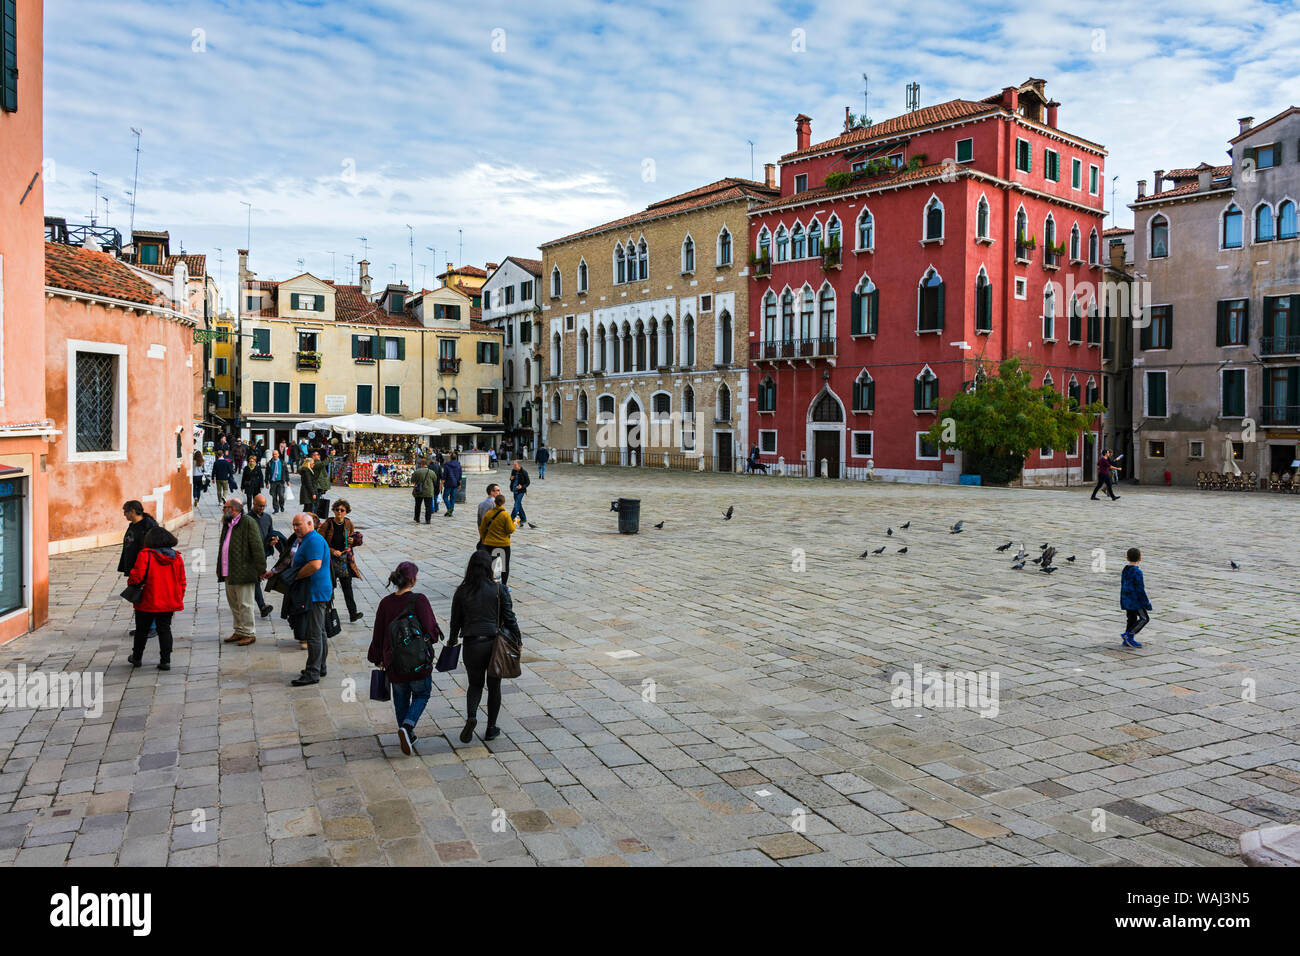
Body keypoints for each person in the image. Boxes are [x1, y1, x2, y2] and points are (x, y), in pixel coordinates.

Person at [367, 561, 441, 755]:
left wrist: (377, 657)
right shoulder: (419, 600)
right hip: (417, 662)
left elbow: (378, 633)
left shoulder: (385, 603)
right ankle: (407, 728)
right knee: (422, 694)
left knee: (400, 699)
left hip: (394, 663)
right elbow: (431, 629)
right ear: (413, 580)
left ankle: (408, 734)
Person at [448, 549, 521, 743]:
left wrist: (451, 641)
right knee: (494, 686)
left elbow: (455, 622)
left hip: (472, 644)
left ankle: (472, 716)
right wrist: (518, 641)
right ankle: (491, 727)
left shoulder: (462, 591)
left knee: (475, 685)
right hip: (494, 644)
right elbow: (510, 618)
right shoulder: (499, 590)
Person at [126, 526, 185, 670]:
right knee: (164, 629)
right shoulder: (176, 557)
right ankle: (165, 660)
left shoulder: (145, 555)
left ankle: (137, 658)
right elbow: (182, 581)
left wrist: (131, 583)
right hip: (168, 600)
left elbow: (136, 577)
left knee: (142, 630)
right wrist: (177, 596)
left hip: (148, 599)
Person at [289, 512, 332, 685]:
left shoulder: (313, 540)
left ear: (309, 524)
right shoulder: (308, 539)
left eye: (298, 524)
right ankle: (320, 667)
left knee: (314, 634)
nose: (295, 528)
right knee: (320, 632)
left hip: (315, 592)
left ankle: (312, 672)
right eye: (293, 524)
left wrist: (296, 576)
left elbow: (315, 565)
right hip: (316, 591)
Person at [218, 498, 267, 647]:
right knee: (234, 603)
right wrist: (219, 568)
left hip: (244, 571)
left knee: (245, 604)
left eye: (225, 507)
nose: (223, 510)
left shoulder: (248, 522)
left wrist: (261, 569)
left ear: (233, 509)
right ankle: (239, 630)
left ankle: (248, 633)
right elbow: (223, 546)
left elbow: (257, 547)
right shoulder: (228, 523)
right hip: (229, 571)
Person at [118, 501, 158, 639]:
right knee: (137, 598)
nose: (124, 515)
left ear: (133, 511)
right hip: (135, 567)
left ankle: (152, 627)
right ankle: (142, 626)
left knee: (148, 598)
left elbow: (153, 549)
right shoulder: (133, 526)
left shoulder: (149, 526)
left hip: (146, 568)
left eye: (125, 511)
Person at [326, 500, 364, 623]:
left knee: (348, 588)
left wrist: (353, 541)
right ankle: (327, 613)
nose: (339, 512)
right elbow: (320, 541)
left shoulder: (348, 523)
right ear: (333, 510)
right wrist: (332, 551)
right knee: (328, 588)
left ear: (346, 512)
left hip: (344, 560)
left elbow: (355, 539)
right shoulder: (328, 524)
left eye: (342, 510)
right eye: (337, 510)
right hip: (330, 561)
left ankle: (353, 613)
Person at [250, 494, 279, 619]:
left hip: (264, 553)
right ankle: (262, 606)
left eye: (264, 506)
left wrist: (273, 541)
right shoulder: (247, 519)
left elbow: (270, 533)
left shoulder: (267, 517)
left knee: (255, 580)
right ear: (253, 504)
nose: (262, 508)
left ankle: (250, 601)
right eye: (259, 506)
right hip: (251, 555)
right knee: (255, 579)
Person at [479, 493, 517, 586]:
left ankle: (490, 583)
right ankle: (504, 585)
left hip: (489, 544)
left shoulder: (489, 514)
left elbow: (482, 528)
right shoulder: (505, 515)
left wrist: (484, 539)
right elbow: (510, 530)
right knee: (504, 566)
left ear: (494, 502)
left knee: (491, 564)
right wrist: (515, 523)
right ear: (504, 502)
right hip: (503, 544)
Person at [1120, 547, 1152, 649]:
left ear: (1127, 558)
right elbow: (1140, 589)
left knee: (1131, 619)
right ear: (1140, 558)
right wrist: (1146, 603)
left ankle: (1128, 640)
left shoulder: (1125, 570)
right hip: (1135, 601)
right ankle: (1129, 635)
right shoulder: (1137, 572)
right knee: (1144, 618)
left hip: (1126, 599)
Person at [410, 459, 437, 524]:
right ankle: (428, 519)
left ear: (421, 464)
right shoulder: (431, 472)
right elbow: (435, 480)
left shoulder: (417, 472)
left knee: (418, 505)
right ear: (426, 464)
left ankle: (417, 518)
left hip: (419, 490)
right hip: (429, 491)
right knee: (428, 506)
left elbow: (412, 480)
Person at [265, 449, 288, 513]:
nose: (274, 455)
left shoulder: (282, 462)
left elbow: (286, 472)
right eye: (273, 454)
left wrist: (287, 480)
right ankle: (276, 509)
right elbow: (267, 473)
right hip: (273, 481)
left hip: (281, 481)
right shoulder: (269, 463)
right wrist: (266, 482)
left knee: (281, 495)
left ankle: (281, 505)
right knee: (274, 496)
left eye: (276, 454)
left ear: (278, 454)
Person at [508, 460, 530, 525]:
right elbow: (512, 479)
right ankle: (523, 519)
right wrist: (511, 479)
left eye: (515, 465)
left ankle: (510, 518)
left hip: (521, 491)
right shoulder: (513, 471)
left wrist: (522, 486)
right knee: (519, 505)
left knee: (516, 504)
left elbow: (528, 482)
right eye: (513, 465)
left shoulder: (524, 472)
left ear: (519, 466)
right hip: (514, 490)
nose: (513, 466)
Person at [441, 450, 462, 516]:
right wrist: (459, 484)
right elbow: (460, 475)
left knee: (445, 497)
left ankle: (449, 509)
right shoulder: (458, 465)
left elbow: (444, 475)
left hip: (448, 483)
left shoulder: (447, 465)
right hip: (455, 483)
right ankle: (450, 511)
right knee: (453, 498)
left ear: (450, 458)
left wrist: (441, 484)